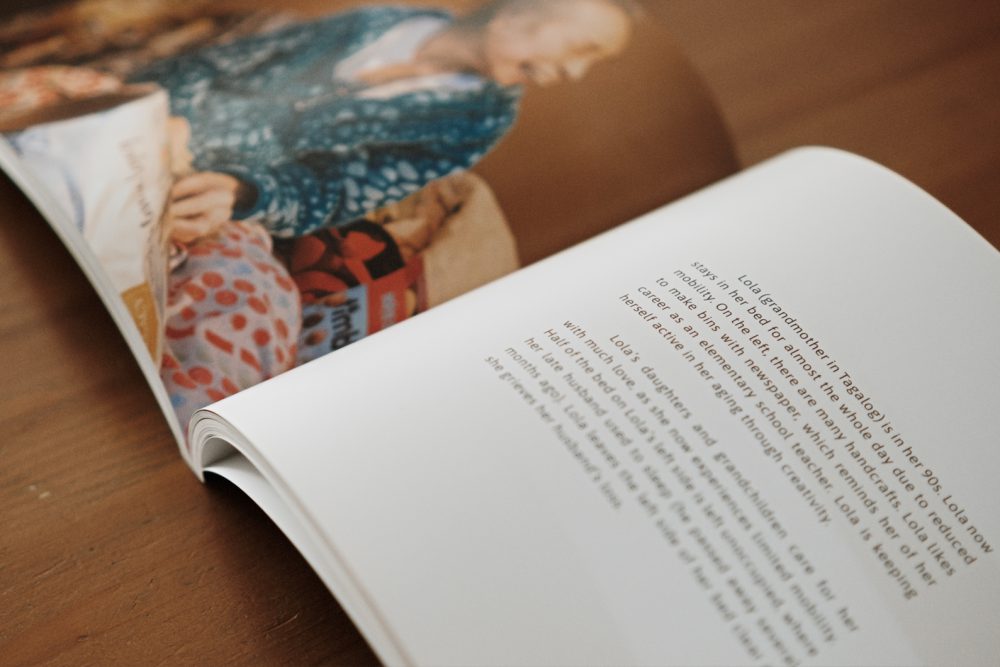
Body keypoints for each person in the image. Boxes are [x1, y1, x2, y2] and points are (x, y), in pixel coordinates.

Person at [129, 0, 635, 241]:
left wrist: (243, 191)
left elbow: (340, 189)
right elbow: (228, 60)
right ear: (517, 10)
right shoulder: (383, 20)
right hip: (154, 124)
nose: (574, 72)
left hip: (223, 192)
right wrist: (164, 108)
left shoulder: (479, 121)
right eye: (582, 49)